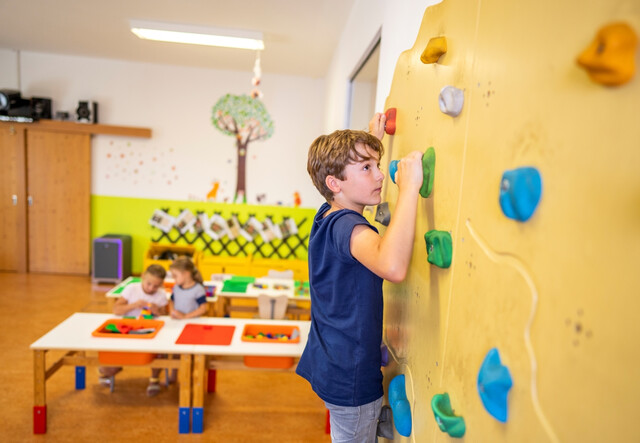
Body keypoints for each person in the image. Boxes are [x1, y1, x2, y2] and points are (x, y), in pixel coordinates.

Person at [296, 113, 424, 442]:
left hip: (330, 364)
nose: (380, 175)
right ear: (334, 183)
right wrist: (409, 189)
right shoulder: (350, 229)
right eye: (367, 168)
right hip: (351, 381)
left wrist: (370, 141)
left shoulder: (328, 214)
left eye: (376, 164)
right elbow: (392, 266)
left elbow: (352, 198)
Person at [99, 264, 169, 396]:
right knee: (108, 363)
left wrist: (158, 311)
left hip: (149, 331)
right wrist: (134, 305)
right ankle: (108, 370)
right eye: (149, 284)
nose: (151, 288)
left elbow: (165, 316)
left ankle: (154, 379)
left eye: (156, 286)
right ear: (142, 277)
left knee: (159, 349)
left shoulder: (161, 295)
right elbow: (116, 310)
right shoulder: (132, 289)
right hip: (128, 330)